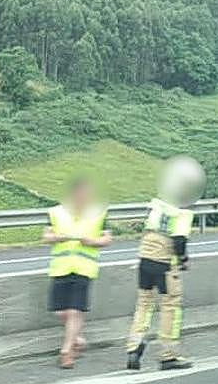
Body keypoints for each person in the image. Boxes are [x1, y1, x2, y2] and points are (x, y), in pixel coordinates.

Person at [125, 156, 205, 371]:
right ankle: (168, 355)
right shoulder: (183, 213)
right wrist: (183, 260)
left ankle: (134, 347)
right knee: (170, 306)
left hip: (145, 260)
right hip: (165, 265)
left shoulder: (156, 205)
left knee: (144, 304)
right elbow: (179, 241)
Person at [43, 177, 111, 369]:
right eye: (82, 192)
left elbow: (107, 239)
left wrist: (93, 242)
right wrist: (58, 237)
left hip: (84, 268)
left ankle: (66, 352)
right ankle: (77, 338)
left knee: (75, 310)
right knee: (60, 311)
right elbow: (45, 236)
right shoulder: (56, 212)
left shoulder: (98, 212)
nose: (85, 196)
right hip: (60, 267)